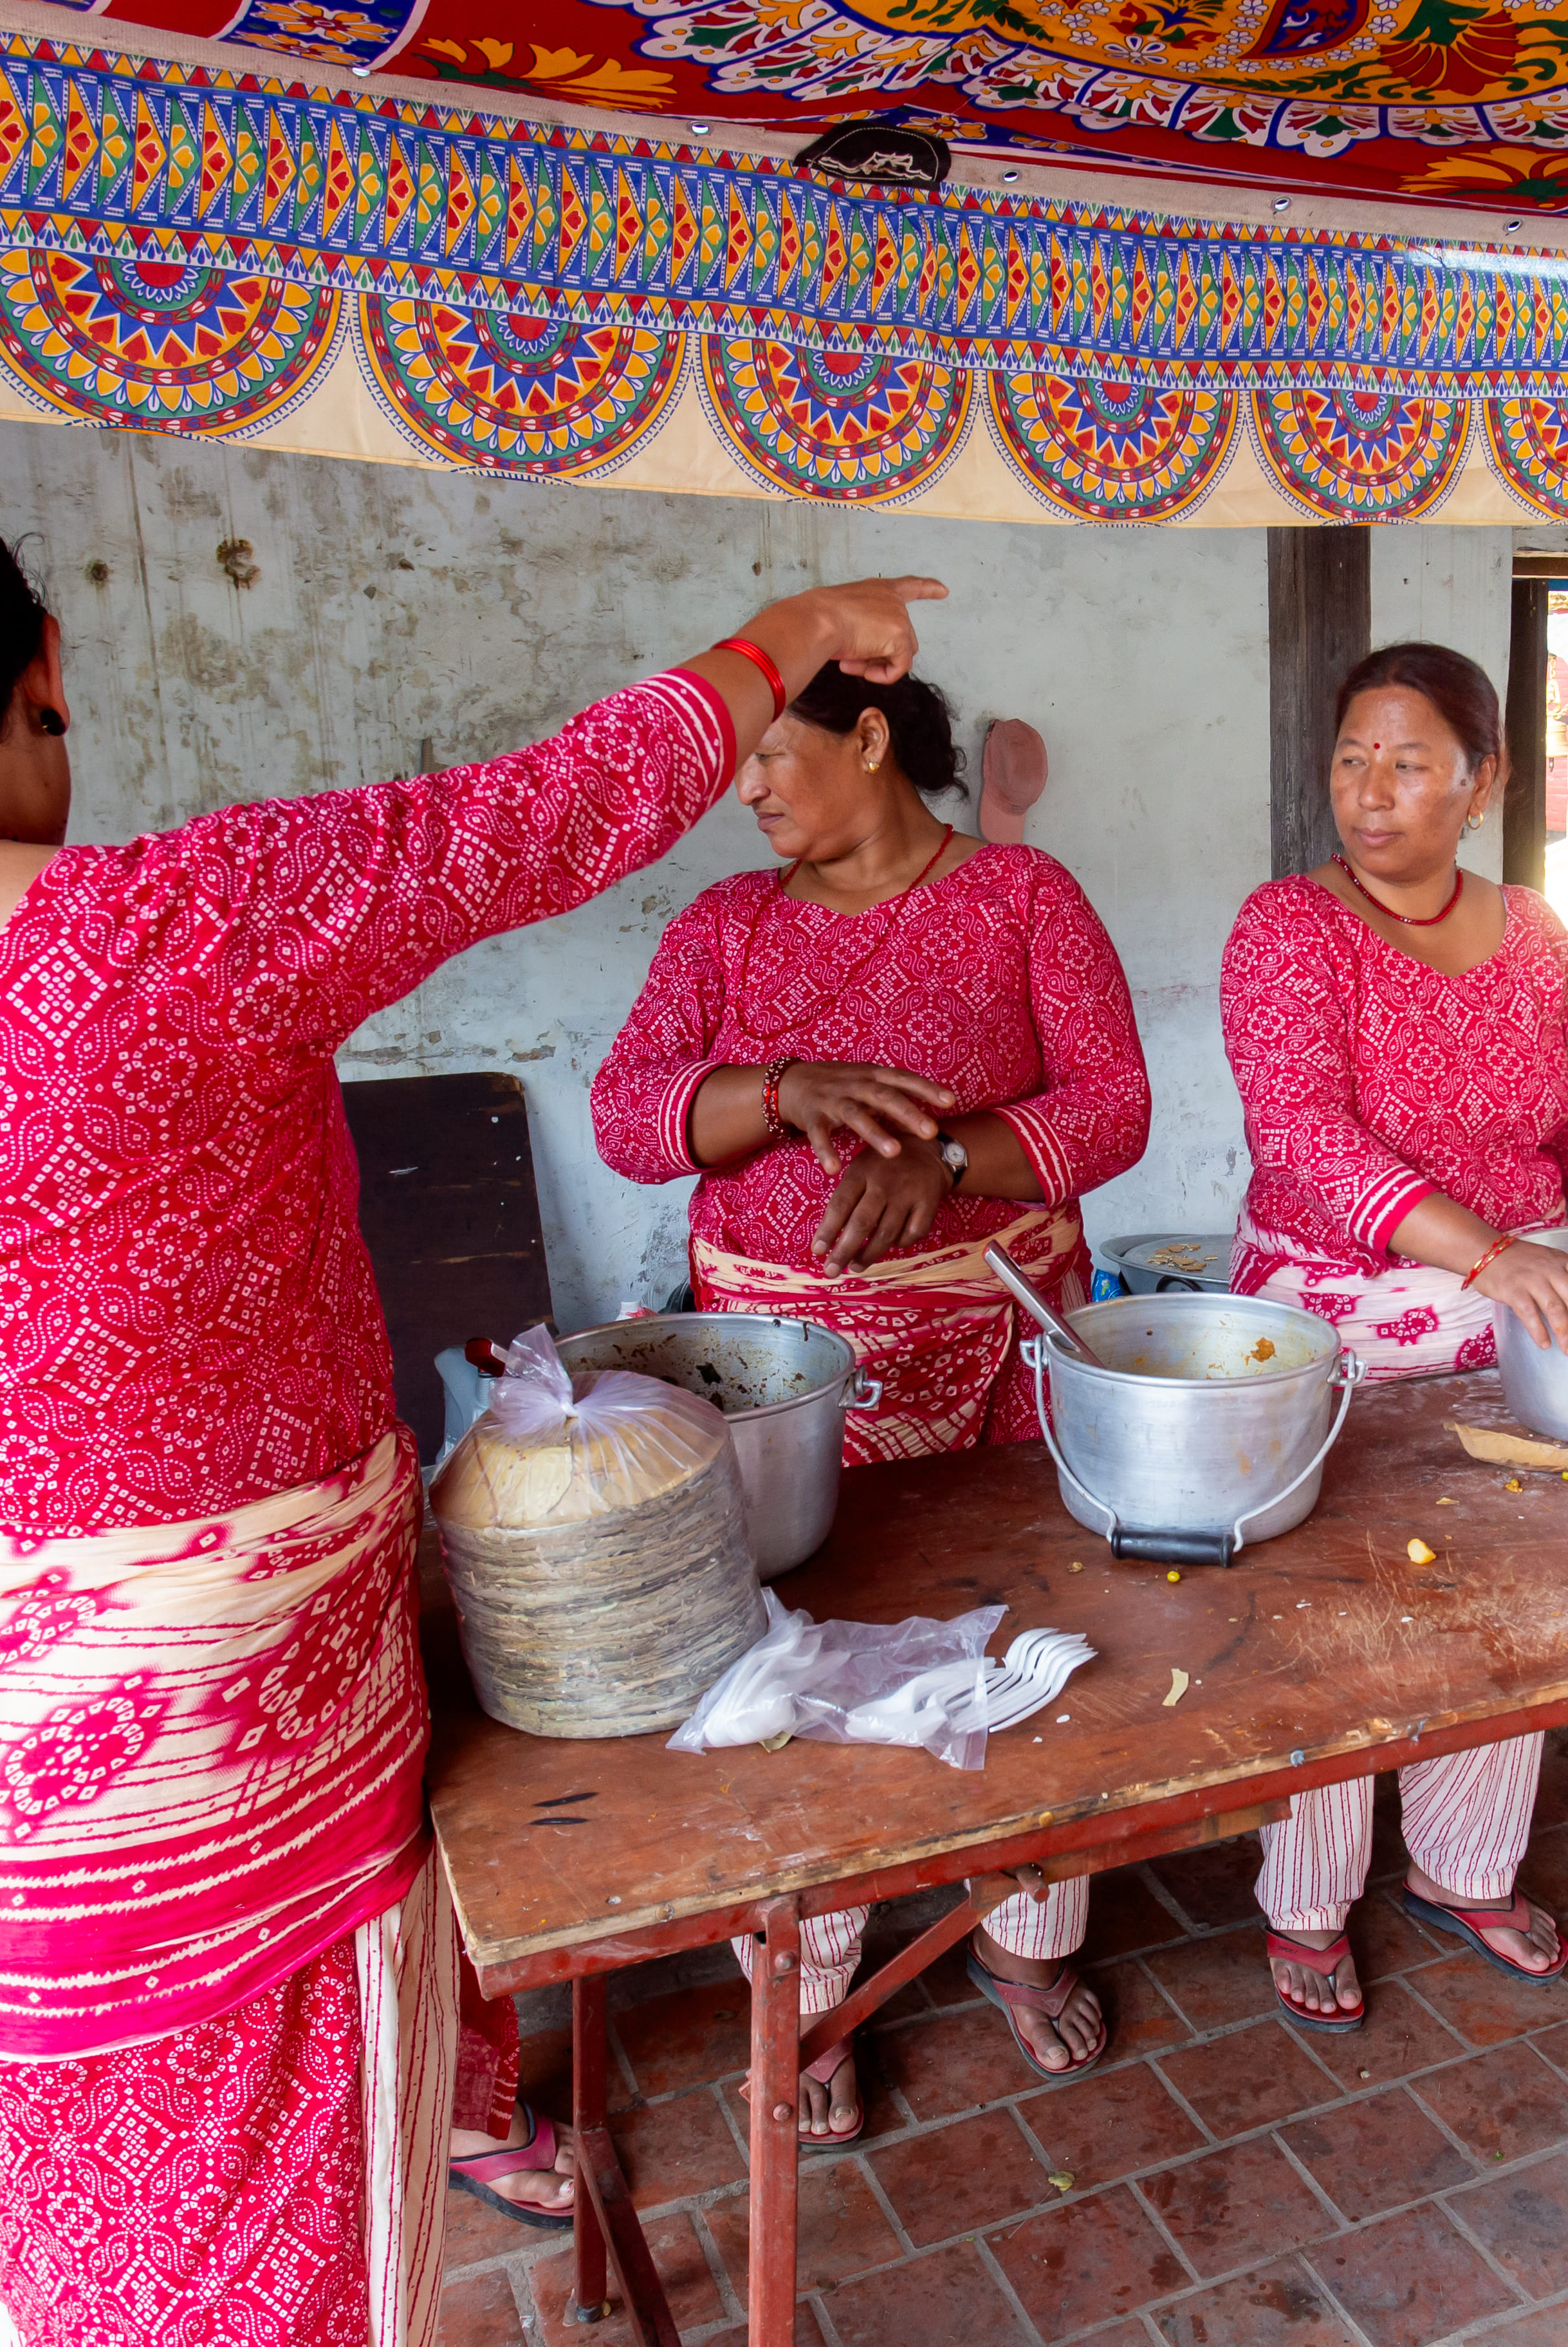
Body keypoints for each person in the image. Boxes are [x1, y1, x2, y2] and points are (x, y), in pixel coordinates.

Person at [0, 416, 940, 2346]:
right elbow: (560, 804)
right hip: (203, 1803)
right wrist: (801, 618)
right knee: (249, 2293)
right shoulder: (194, 923)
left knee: (62, 2261)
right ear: (47, 669)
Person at [590, 663, 1150, 2145]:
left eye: (772, 755)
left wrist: (952, 1160)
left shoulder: (1024, 897)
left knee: (1024, 1626)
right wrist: (782, 1091)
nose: (752, 789)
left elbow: (1111, 1105)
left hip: (993, 1353)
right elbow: (627, 1114)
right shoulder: (727, 926)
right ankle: (815, 1986)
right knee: (801, 1667)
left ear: (869, 736)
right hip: (780, 1391)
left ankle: (1025, 1938)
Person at [1219, 641, 1568, 2031]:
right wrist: (1492, 1253)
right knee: (1343, 1622)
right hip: (1333, 1336)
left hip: (1525, 1330)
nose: (1372, 792)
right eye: (1353, 760)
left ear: (1484, 781)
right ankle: (1310, 1894)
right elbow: (1302, 1136)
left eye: (1409, 763)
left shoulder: (1532, 933)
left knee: (1503, 1603)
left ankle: (1466, 1868)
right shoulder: (1289, 928)